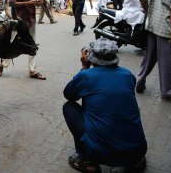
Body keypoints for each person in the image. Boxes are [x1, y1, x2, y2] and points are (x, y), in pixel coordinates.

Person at [63, 38, 147, 172]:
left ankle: (87, 160)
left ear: (92, 58)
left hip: (101, 153)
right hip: (137, 151)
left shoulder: (86, 76)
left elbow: (69, 95)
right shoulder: (127, 74)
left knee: (68, 107)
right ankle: (133, 161)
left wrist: (84, 67)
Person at [0, 0, 46, 80]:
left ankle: (32, 70)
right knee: (14, 45)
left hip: (31, 20)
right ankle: (2, 63)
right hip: (18, 21)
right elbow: (11, 4)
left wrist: (39, 1)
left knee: (32, 45)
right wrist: (27, 3)